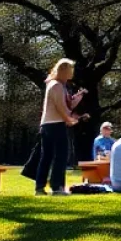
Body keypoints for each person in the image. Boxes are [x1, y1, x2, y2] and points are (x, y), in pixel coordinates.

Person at [36, 58, 86, 196]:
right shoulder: (57, 85)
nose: (72, 72)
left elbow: (67, 104)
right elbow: (60, 107)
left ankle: (40, 187)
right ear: (64, 70)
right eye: (71, 69)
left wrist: (79, 97)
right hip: (55, 124)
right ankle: (57, 187)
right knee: (61, 156)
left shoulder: (57, 85)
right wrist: (69, 120)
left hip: (48, 124)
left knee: (47, 156)